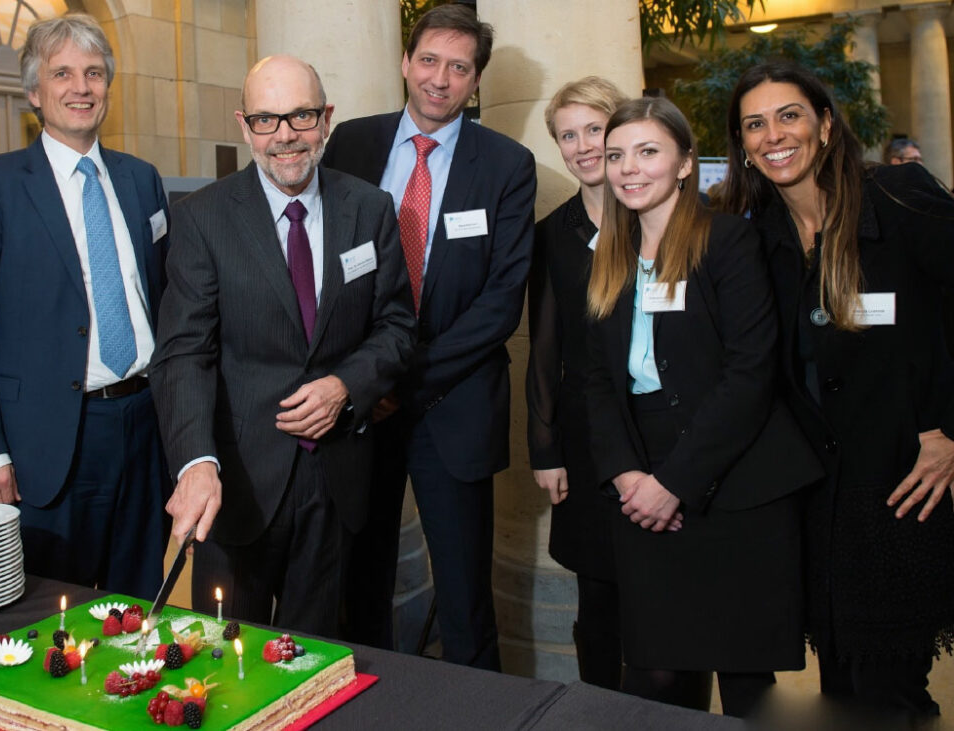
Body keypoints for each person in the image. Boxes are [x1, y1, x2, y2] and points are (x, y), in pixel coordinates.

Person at [149, 55, 415, 638]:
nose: (285, 135)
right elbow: (183, 353)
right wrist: (195, 462)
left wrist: (346, 385)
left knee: (314, 656)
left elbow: (396, 326)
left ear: (326, 119)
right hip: (238, 481)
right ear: (244, 126)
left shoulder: (369, 208)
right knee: (223, 660)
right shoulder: (202, 219)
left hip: (337, 477)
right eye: (266, 119)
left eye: (301, 116)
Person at [722, 61, 954, 718]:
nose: (773, 135)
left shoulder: (898, 198)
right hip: (812, 494)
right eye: (754, 125)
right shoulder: (754, 235)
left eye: (788, 115)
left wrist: (949, 427)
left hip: (899, 484)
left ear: (824, 124)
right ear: (742, 145)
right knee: (842, 691)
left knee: (887, 688)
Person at [585, 97, 821, 717]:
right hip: (640, 484)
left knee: (745, 682)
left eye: (648, 152)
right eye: (616, 155)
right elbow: (595, 380)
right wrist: (626, 474)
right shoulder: (609, 256)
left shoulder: (727, 240)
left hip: (733, 482)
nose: (629, 169)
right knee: (656, 675)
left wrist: (675, 483)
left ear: (686, 163)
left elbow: (750, 374)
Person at [321, 4, 536, 669]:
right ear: (405, 62)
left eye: (459, 68)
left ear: (477, 81)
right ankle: (367, 702)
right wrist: (366, 382)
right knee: (361, 582)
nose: (441, 79)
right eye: (430, 60)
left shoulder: (507, 164)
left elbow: (500, 303)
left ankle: (483, 709)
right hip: (360, 409)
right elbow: (327, 269)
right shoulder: (351, 144)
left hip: (453, 404)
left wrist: (400, 380)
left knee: (464, 596)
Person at [0, 13, 171, 596]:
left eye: (93, 73)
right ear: (35, 92)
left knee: (138, 601)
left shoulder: (142, 180)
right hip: (46, 441)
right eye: (62, 73)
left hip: (147, 428)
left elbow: (165, 298)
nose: (81, 88)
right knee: (50, 611)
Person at [526, 76, 627, 690]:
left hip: (664, 438)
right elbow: (544, 346)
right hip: (584, 441)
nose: (584, 145)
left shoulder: (659, 216)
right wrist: (545, 448)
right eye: (569, 135)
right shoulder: (552, 234)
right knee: (598, 600)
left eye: (595, 129)